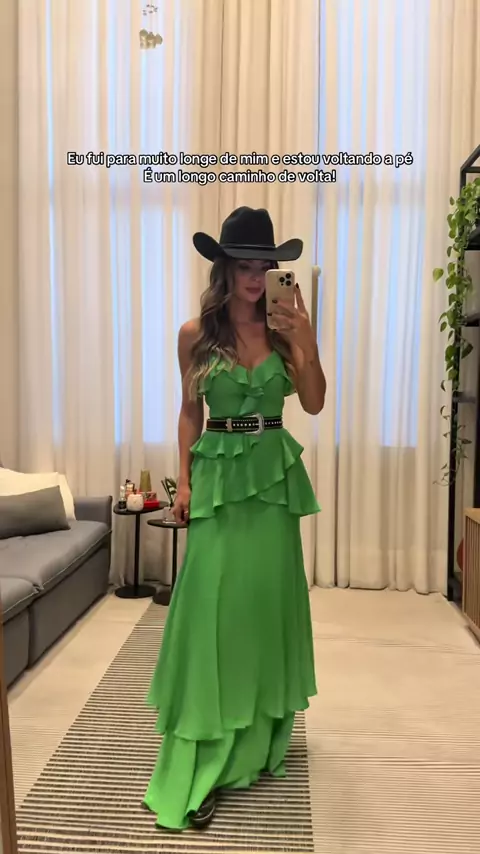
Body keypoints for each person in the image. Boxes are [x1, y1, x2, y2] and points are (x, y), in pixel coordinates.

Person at [143, 206, 326, 831]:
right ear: (224, 268)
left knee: (262, 609)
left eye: (264, 266)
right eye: (244, 265)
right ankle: (202, 755)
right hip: (219, 483)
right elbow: (189, 410)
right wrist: (185, 479)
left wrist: (305, 339)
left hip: (272, 484)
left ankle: (255, 740)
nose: (254, 277)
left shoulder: (286, 330)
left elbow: (313, 403)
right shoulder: (195, 333)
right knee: (210, 615)